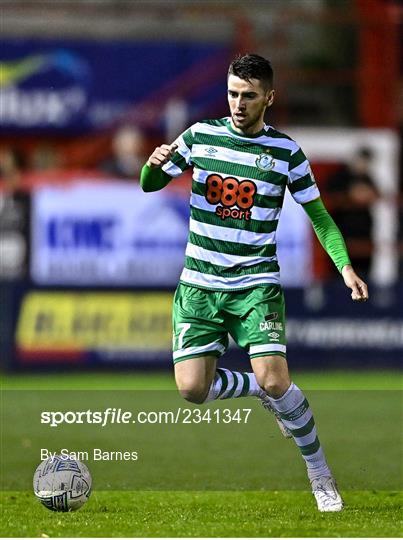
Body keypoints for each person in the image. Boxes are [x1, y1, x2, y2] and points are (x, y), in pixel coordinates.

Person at [140, 54, 368, 512]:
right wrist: (153, 163)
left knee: (277, 378)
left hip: (254, 284)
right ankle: (258, 391)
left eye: (248, 95)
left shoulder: (286, 153)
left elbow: (320, 218)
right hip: (199, 285)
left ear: (269, 97)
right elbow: (149, 184)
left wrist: (344, 266)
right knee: (191, 391)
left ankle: (320, 475)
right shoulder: (199, 137)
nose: (238, 103)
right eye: (232, 93)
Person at [326, 147, 380, 278]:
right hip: (343, 233)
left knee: (364, 276)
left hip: (363, 235)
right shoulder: (340, 177)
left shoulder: (367, 177)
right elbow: (329, 198)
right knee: (341, 275)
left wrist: (366, 194)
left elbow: (377, 194)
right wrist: (351, 195)